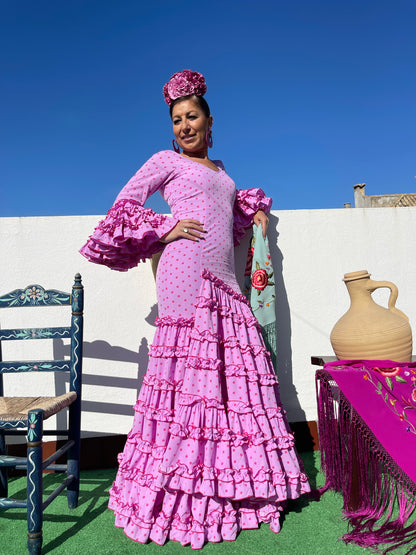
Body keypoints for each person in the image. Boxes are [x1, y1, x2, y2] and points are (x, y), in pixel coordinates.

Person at [80, 69, 310, 549]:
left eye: (192, 117)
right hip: (184, 273)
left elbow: (227, 213)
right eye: (177, 120)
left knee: (228, 378)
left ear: (209, 122)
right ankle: (181, 483)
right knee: (189, 376)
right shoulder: (165, 160)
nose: (185, 126)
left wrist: (253, 212)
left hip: (226, 280)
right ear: (172, 130)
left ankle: (229, 483)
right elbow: (125, 202)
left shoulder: (224, 174)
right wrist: (166, 229)